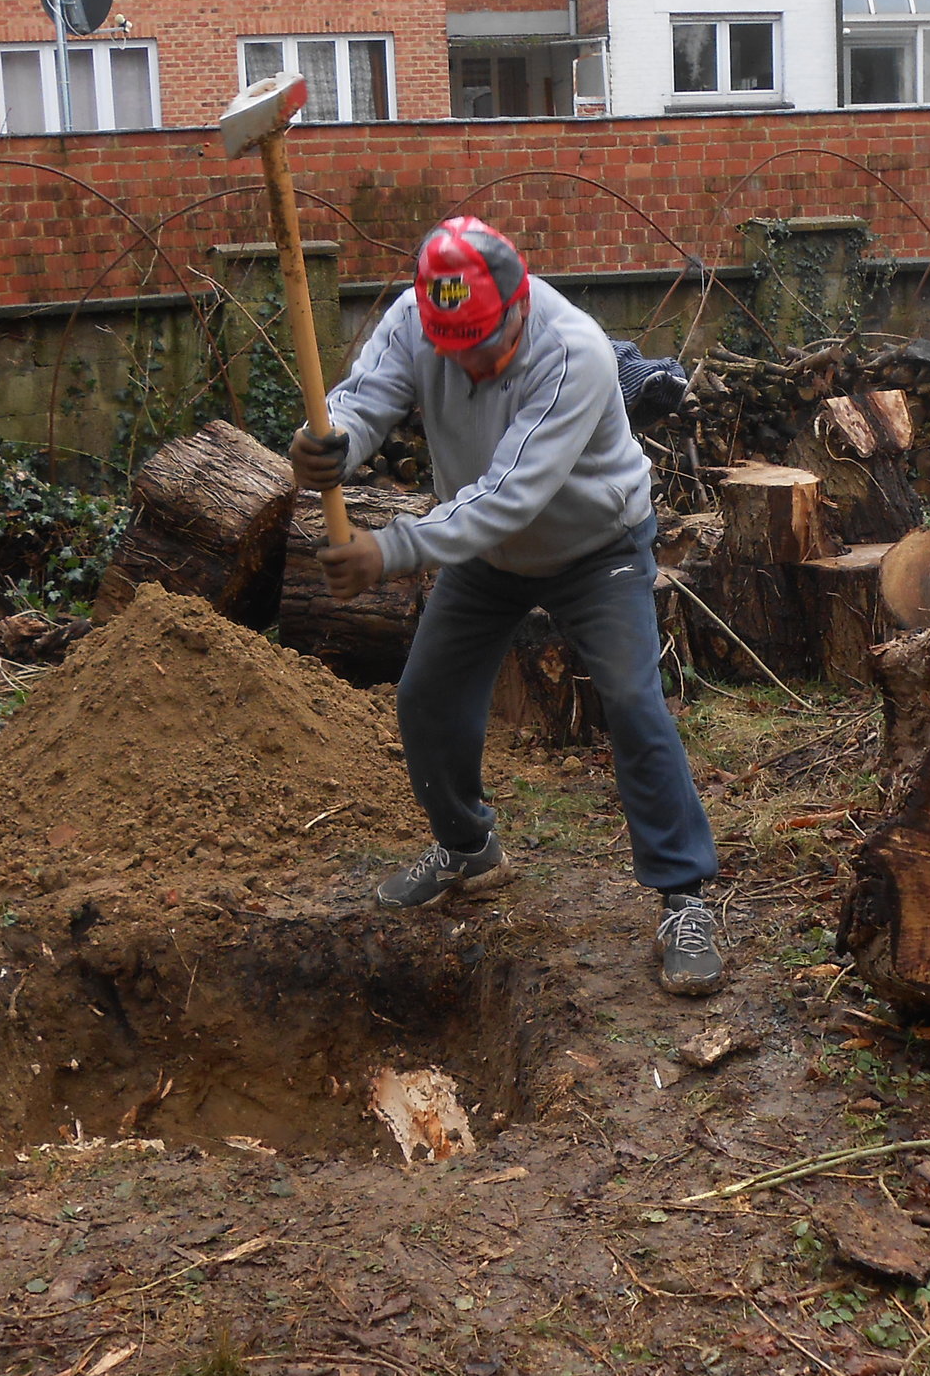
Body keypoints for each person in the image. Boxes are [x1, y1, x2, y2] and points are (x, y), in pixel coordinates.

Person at [288, 216, 726, 996]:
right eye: (455, 348)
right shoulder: (418, 321)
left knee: (631, 700)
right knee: (427, 695)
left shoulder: (574, 351)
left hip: (596, 545)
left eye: (487, 344)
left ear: (520, 301)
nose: (474, 362)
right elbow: (367, 399)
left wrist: (388, 550)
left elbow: (507, 497)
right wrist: (336, 441)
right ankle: (467, 847)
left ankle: (684, 897)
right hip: (487, 557)